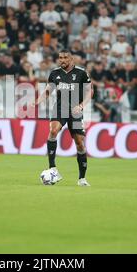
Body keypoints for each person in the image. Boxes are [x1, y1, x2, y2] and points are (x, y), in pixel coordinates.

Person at [32, 50, 92, 186]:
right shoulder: (55, 73)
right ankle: (53, 168)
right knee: (53, 131)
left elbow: (90, 91)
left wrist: (81, 106)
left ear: (71, 59)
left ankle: (82, 178)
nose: (62, 60)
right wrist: (38, 100)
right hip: (60, 108)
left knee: (80, 143)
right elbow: (48, 90)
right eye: (60, 58)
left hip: (76, 111)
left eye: (65, 58)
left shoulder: (81, 73)